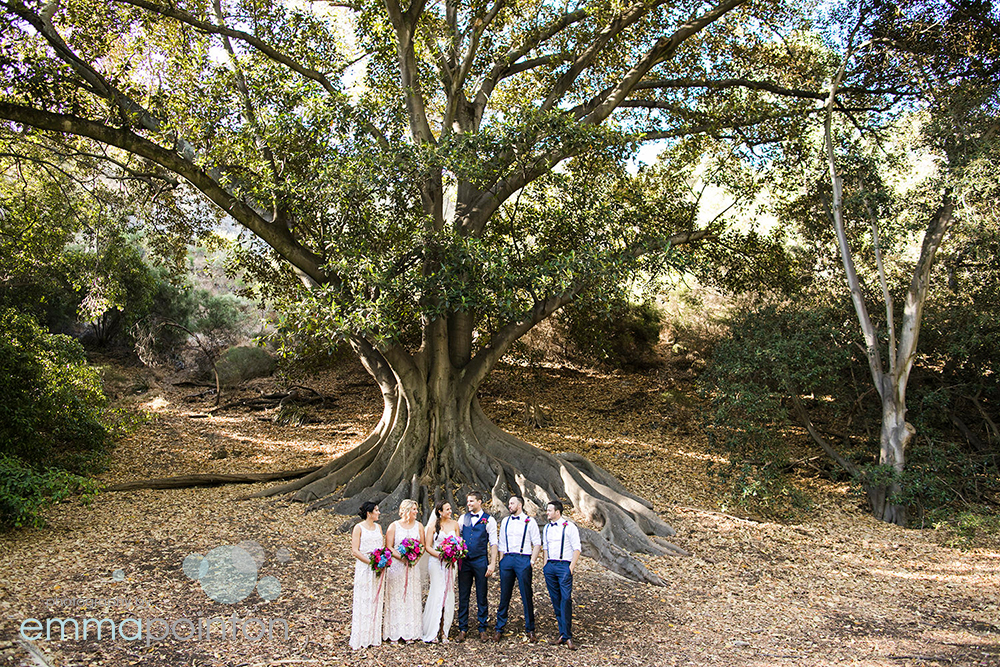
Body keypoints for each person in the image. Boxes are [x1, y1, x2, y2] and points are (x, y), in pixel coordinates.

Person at [494, 494, 541, 642]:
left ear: (519, 505)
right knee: (504, 595)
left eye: (512, 503)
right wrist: (501, 561)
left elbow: (537, 543)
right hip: (507, 559)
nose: (509, 506)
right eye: (509, 503)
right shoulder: (506, 521)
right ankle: (499, 627)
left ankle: (530, 628)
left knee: (526, 594)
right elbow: (501, 542)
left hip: (523, 559)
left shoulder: (530, 521)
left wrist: (531, 562)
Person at [455, 491, 497, 642]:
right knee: (463, 594)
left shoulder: (489, 520)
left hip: (480, 561)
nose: (469, 504)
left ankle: (482, 628)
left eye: (471, 501)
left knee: (482, 594)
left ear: (480, 502)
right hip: (464, 562)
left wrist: (492, 564)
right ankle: (462, 628)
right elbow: (457, 538)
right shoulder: (462, 518)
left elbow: (493, 543)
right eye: (468, 501)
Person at [383, 499, 425, 643]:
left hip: (413, 567)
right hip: (397, 566)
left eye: (416, 509)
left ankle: (410, 632)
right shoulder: (393, 526)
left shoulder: (419, 526)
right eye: (414, 509)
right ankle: (394, 632)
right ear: (406, 511)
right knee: (396, 597)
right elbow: (389, 546)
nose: (416, 512)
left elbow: (423, 546)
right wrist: (402, 557)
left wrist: (415, 559)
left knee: (411, 598)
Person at [542, 500, 581, 650]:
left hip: (564, 565)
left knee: (566, 599)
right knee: (555, 599)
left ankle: (568, 636)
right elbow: (546, 547)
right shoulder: (546, 528)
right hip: (550, 566)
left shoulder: (569, 527)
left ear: (557, 512)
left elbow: (577, 548)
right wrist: (545, 565)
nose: (547, 513)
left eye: (549, 510)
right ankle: (562, 634)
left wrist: (571, 568)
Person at [421, 501, 461, 643]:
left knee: (448, 594)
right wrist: (440, 555)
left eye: (450, 508)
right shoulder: (432, 526)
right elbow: (427, 546)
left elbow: (458, 543)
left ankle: (445, 631)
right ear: (440, 511)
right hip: (436, 562)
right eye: (447, 509)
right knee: (438, 592)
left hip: (451, 563)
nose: (450, 511)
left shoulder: (455, 524)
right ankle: (433, 630)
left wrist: (455, 554)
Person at [349, 501, 385, 650]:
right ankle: (361, 635)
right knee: (364, 599)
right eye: (376, 510)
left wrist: (382, 560)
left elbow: (382, 547)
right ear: (369, 513)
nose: (379, 512)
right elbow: (355, 551)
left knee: (376, 599)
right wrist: (371, 562)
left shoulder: (379, 527)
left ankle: (373, 635)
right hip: (365, 567)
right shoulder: (358, 528)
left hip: (378, 567)